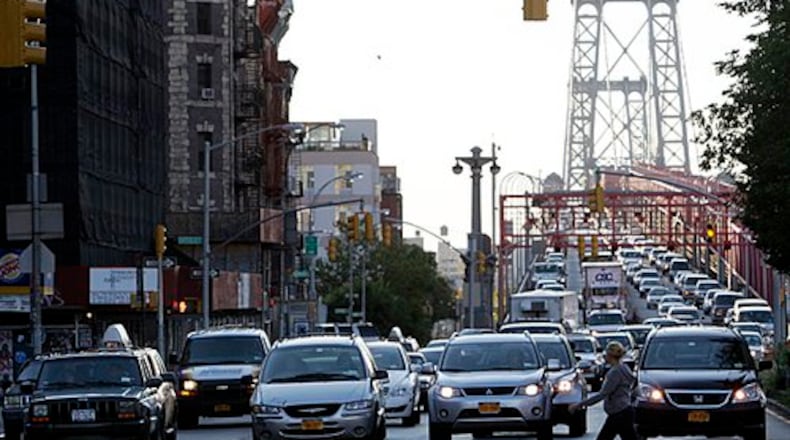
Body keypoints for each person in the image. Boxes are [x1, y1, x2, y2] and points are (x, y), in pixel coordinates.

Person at [569, 341, 637, 440]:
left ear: (610, 355)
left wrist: (579, 404)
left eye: (606, 354)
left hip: (618, 413)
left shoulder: (615, 372)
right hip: (625, 410)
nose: (605, 357)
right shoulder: (625, 368)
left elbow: (602, 394)